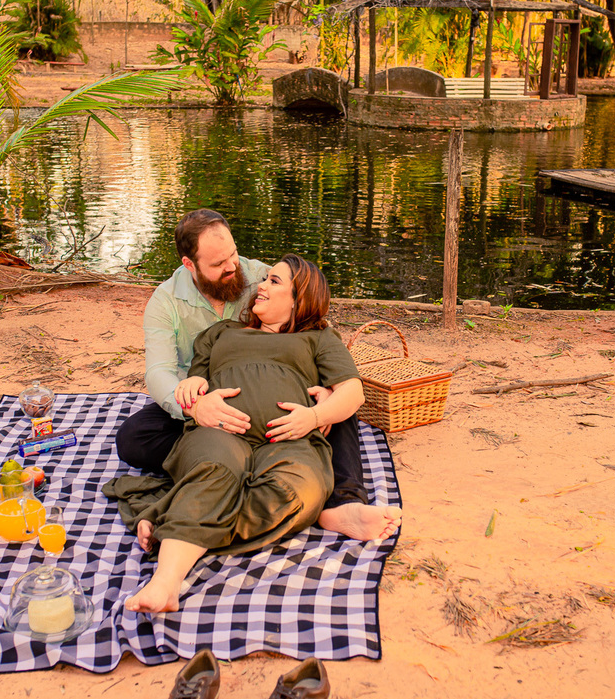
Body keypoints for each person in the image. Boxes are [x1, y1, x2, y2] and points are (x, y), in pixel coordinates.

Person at [116, 209, 400, 542]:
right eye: (218, 264)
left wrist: (324, 396)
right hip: (207, 401)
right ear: (189, 265)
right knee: (133, 437)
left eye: (233, 254)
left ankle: (341, 502)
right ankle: (217, 467)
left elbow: (310, 316)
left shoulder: (259, 275)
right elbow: (159, 372)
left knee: (339, 403)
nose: (231, 266)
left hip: (281, 402)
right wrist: (195, 407)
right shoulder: (165, 302)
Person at [106, 255, 365, 613]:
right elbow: (195, 377)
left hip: (288, 439)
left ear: (298, 297)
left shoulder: (317, 336)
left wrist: (316, 415)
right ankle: (165, 583)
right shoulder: (221, 333)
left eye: (275, 282)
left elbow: (354, 392)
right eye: (266, 279)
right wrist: (195, 385)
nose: (261, 286)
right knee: (214, 472)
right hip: (221, 432)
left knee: (296, 493)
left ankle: (172, 518)